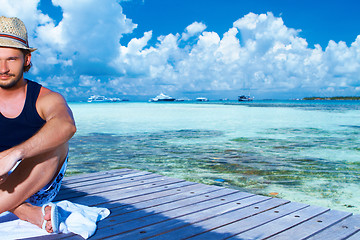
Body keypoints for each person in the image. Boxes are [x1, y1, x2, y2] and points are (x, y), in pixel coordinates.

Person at [0, 16, 76, 233]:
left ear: (26, 59)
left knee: (58, 142)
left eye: (11, 59)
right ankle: (23, 210)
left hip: (37, 185)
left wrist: (14, 155)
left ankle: (20, 204)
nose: (3, 68)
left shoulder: (46, 98)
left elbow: (66, 125)